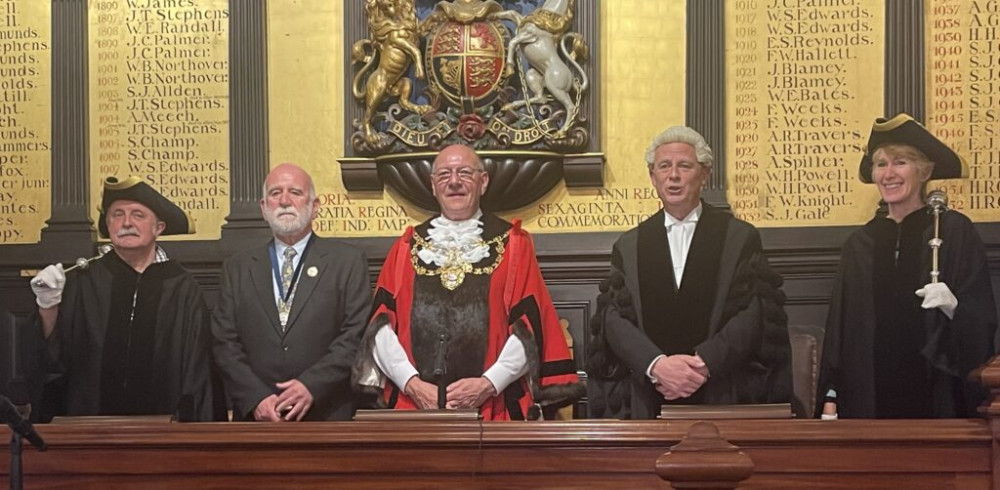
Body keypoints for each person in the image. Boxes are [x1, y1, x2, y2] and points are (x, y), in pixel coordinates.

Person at [352, 144, 581, 420]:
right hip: (414, 407)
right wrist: (411, 384)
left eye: (464, 173)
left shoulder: (514, 245)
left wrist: (489, 384)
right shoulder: (405, 246)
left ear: (483, 182)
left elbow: (530, 330)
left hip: (493, 408)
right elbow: (381, 329)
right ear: (433, 185)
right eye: (444, 174)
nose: (454, 182)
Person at [586, 126, 793, 420]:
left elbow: (755, 312)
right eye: (664, 166)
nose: (673, 175)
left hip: (723, 391)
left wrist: (703, 364)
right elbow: (614, 318)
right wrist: (656, 365)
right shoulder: (630, 244)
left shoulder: (738, 238)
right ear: (652, 176)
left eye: (684, 166)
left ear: (704, 174)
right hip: (650, 395)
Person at [818, 114, 997, 419]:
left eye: (900, 162)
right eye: (881, 164)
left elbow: (983, 317)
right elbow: (841, 332)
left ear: (924, 171)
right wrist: (831, 394)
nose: (889, 173)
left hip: (939, 398)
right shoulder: (860, 245)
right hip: (869, 402)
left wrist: (955, 307)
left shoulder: (952, 232)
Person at [29, 176, 224, 421]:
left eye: (138, 215)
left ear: (159, 228)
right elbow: (53, 356)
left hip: (165, 434)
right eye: (117, 214)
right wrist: (47, 305)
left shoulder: (181, 287)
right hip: (90, 431)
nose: (127, 222)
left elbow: (198, 371)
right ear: (108, 225)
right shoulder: (84, 281)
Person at [211, 164, 370, 422]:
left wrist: (311, 386)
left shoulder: (347, 262)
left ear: (315, 206)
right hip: (258, 417)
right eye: (275, 193)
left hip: (327, 413)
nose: (284, 201)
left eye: (295, 192)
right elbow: (224, 341)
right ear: (264, 207)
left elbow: (355, 334)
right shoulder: (237, 268)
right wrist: (256, 397)